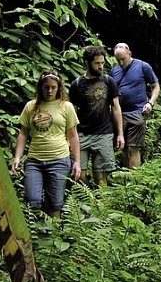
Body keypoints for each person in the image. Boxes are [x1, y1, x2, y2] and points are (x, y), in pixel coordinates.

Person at [11, 69, 81, 218]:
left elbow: (73, 135)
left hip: (59, 159)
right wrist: (17, 158)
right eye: (46, 87)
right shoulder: (31, 106)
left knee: (55, 203)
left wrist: (77, 162)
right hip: (34, 160)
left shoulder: (66, 107)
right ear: (40, 88)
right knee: (33, 201)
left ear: (59, 88)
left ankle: (52, 235)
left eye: (53, 87)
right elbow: (23, 134)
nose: (50, 91)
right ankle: (35, 232)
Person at [69, 46, 125, 186]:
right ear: (87, 63)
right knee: (79, 175)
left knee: (101, 176)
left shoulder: (108, 81)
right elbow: (72, 112)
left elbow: (116, 108)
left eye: (102, 63)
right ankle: (89, 197)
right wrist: (69, 136)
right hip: (81, 133)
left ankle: (101, 204)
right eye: (97, 63)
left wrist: (120, 134)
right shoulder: (76, 84)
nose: (101, 66)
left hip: (103, 133)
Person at [111, 43, 160, 168]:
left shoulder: (143, 66)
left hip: (137, 112)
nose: (121, 63)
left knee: (133, 147)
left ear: (130, 54)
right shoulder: (114, 71)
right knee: (121, 147)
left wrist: (150, 103)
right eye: (118, 60)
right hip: (119, 114)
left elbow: (156, 86)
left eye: (123, 59)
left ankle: (134, 179)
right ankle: (124, 179)